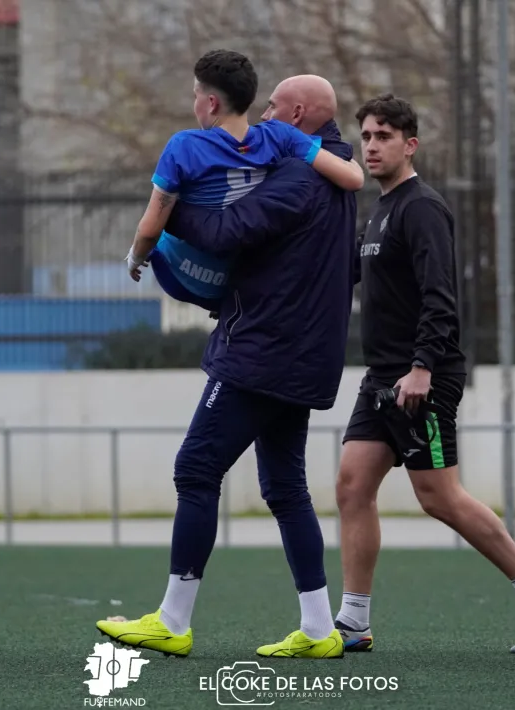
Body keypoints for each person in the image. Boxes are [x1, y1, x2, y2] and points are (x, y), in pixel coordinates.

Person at [97, 74, 356, 659]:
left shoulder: (299, 178)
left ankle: (173, 620)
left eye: (272, 107)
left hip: (263, 354)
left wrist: (169, 204)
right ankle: (319, 630)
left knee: (195, 469)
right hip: (302, 356)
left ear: (296, 114)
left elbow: (223, 233)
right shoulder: (335, 180)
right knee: (286, 487)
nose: (263, 116)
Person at [331, 93, 515, 655]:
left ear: (410, 144)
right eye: (365, 136)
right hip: (381, 378)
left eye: (383, 136)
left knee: (439, 496)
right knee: (351, 485)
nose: (371, 145)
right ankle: (354, 622)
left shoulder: (422, 207)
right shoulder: (379, 210)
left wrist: (422, 368)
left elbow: (442, 298)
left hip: (423, 379)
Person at [124, 49, 364, 311]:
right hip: (229, 281)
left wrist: (135, 257)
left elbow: (149, 229)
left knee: (161, 232)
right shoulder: (280, 136)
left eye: (196, 97)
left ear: (212, 103)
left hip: (181, 276)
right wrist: (347, 158)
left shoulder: (183, 145)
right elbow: (353, 179)